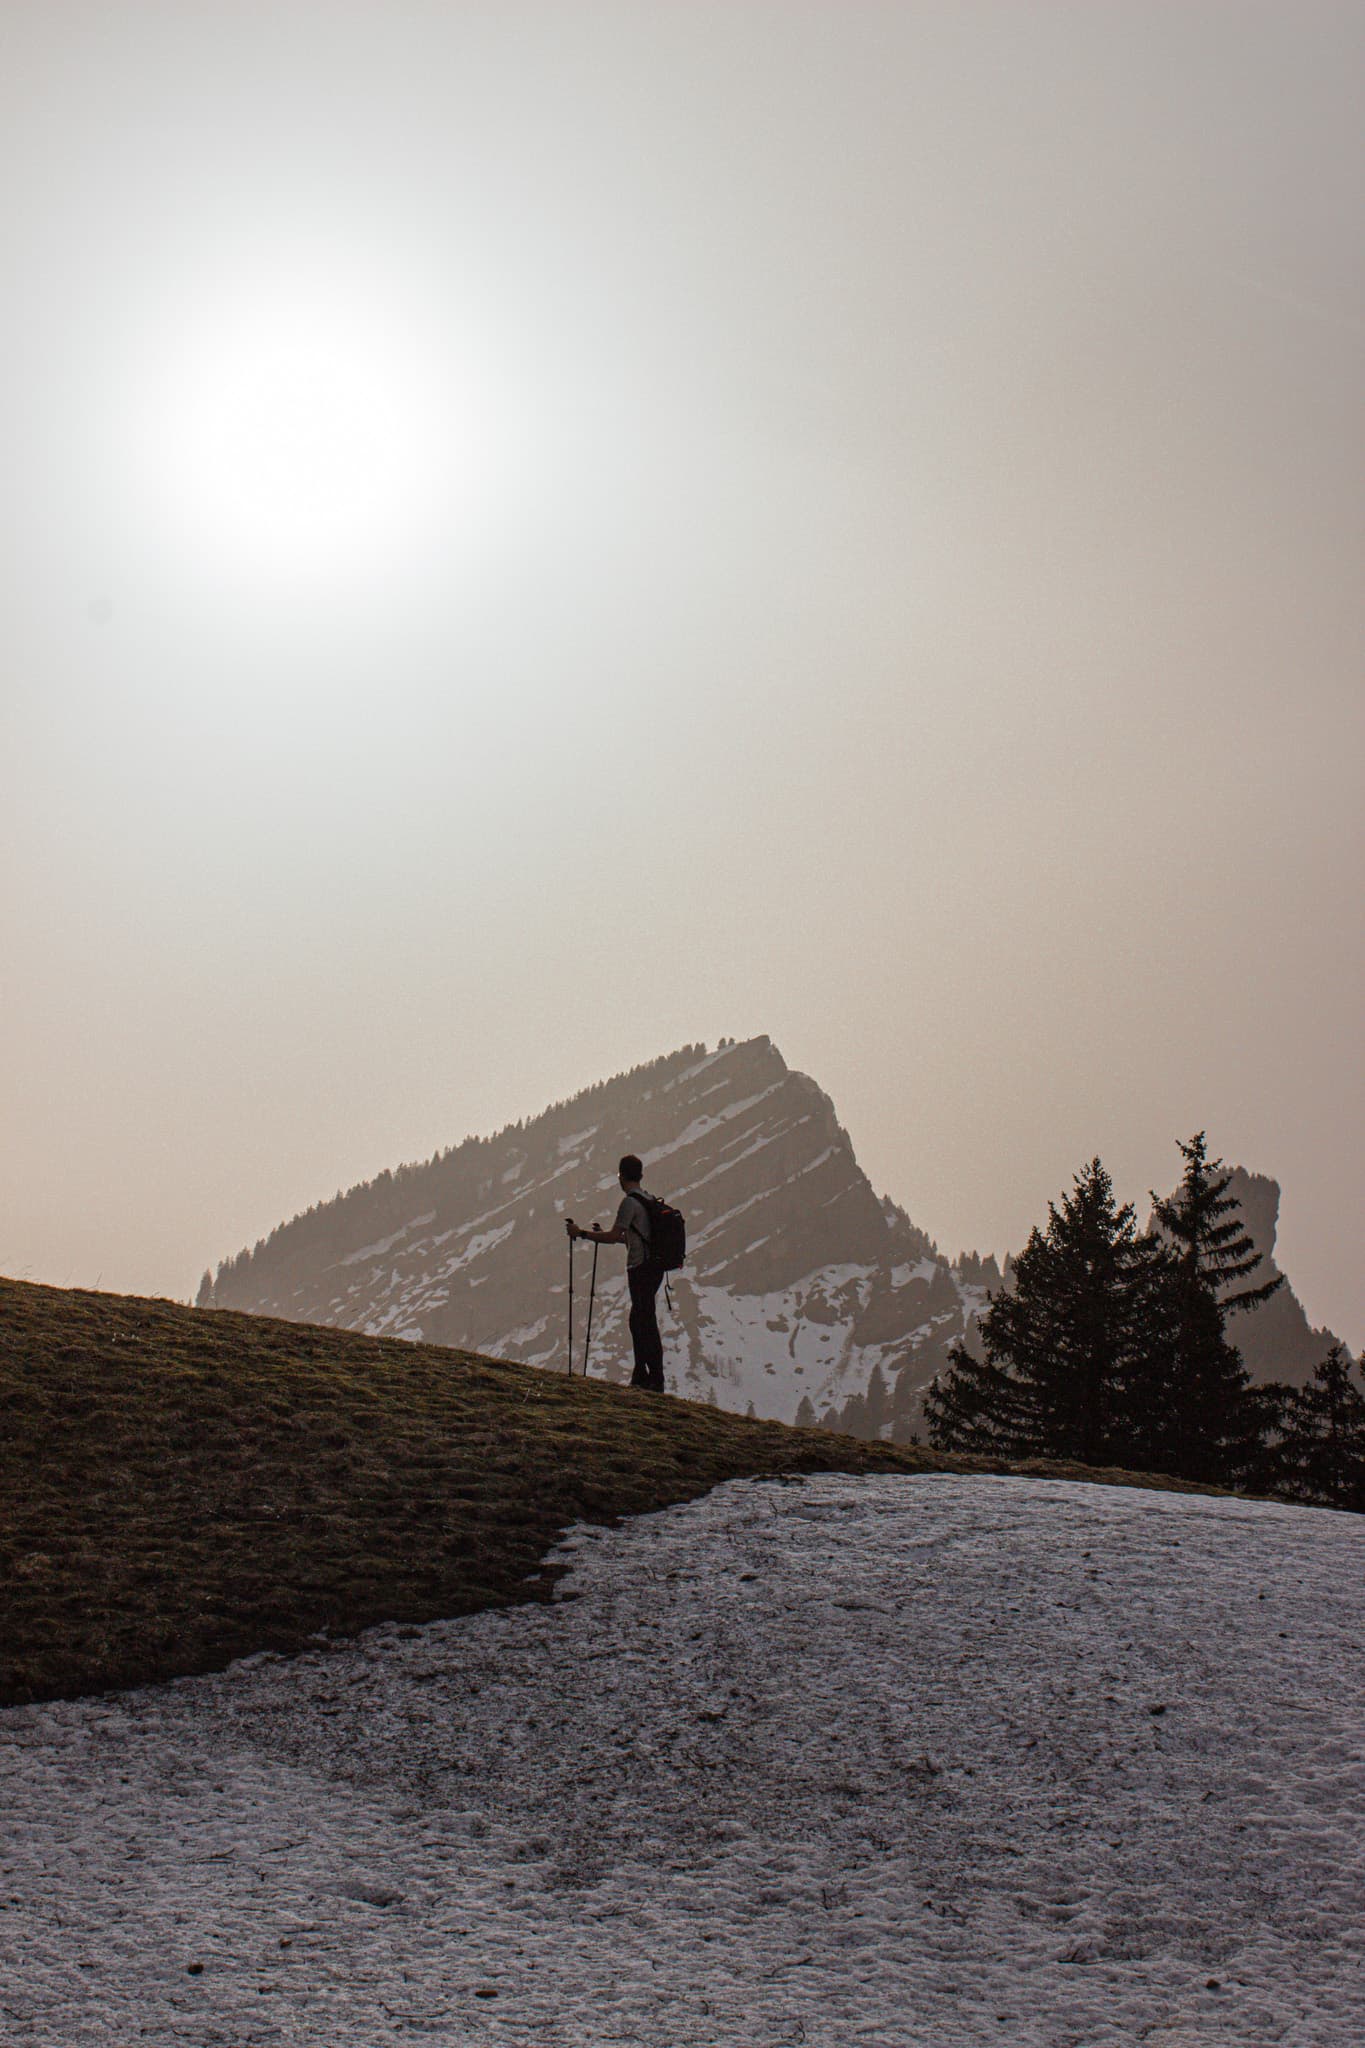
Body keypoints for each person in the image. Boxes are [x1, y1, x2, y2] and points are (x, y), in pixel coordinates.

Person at [565, 1154, 665, 1391]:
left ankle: (651, 1379)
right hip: (654, 1268)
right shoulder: (648, 1199)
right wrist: (598, 1233)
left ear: (621, 1176)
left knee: (643, 1321)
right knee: (641, 1319)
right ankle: (644, 1374)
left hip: (639, 1268)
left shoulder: (629, 1203)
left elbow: (612, 1237)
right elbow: (627, 1237)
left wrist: (582, 1233)